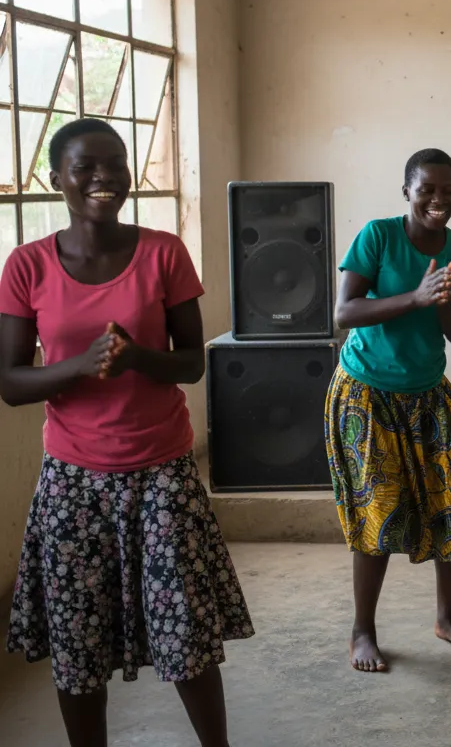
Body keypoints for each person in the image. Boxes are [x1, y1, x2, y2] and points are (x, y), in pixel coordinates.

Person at [0, 118, 253, 747]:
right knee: (78, 643)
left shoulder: (163, 252)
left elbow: (192, 363)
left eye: (115, 163)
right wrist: (80, 366)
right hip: (72, 480)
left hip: (162, 473)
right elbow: (10, 382)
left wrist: (137, 356)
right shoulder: (27, 265)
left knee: (186, 635)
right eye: (85, 167)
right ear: (55, 179)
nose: (104, 177)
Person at [326, 147, 451, 673]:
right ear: (406, 190)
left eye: (448, 190)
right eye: (426, 189)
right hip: (367, 393)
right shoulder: (378, 236)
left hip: (427, 392)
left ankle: (446, 619)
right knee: (379, 513)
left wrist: (443, 301)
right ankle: (363, 631)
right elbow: (344, 313)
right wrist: (415, 296)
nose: (438, 199)